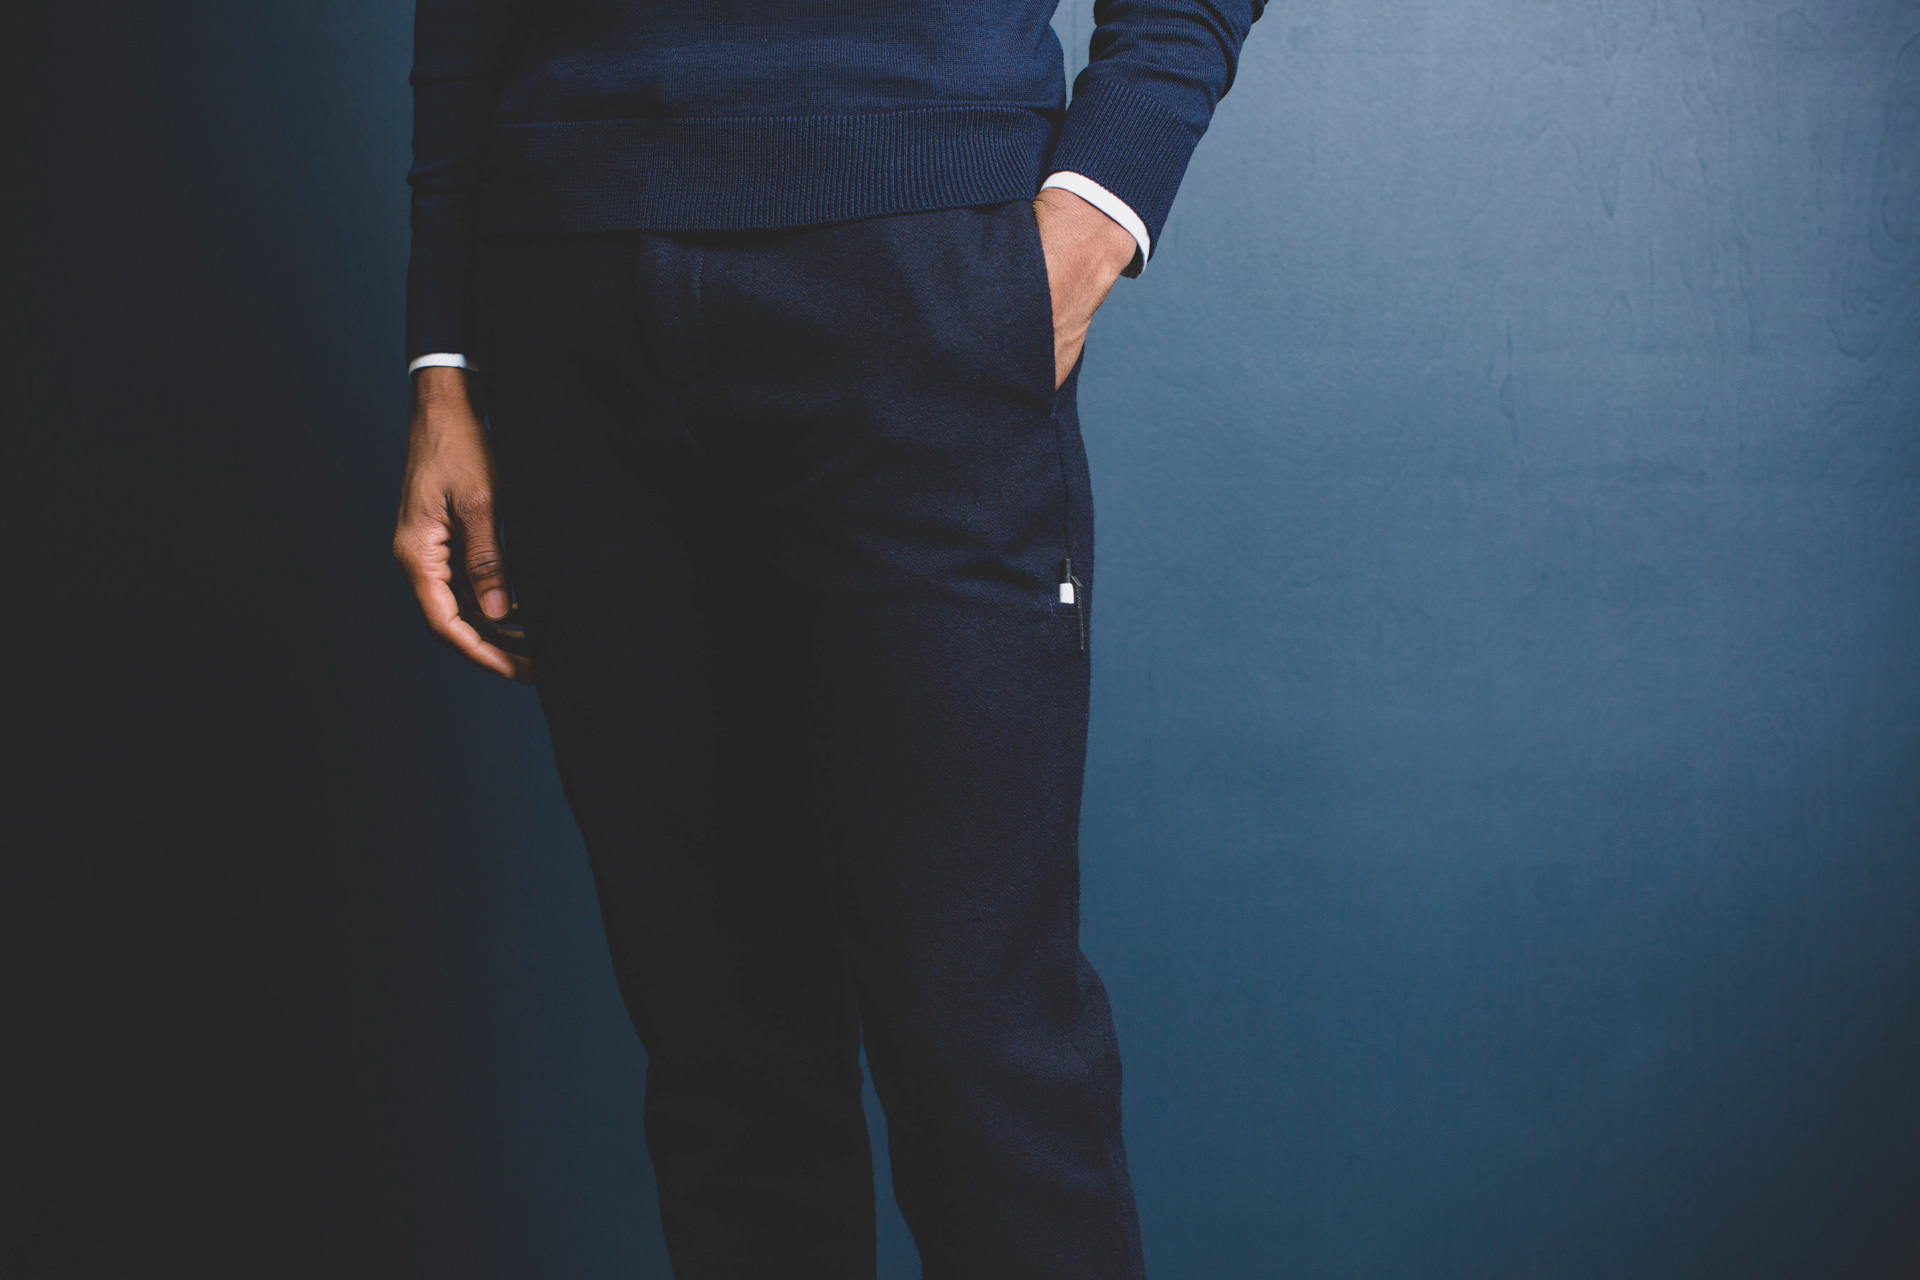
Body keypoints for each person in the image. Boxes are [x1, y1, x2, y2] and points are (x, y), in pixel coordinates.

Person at [390, 0, 1262, 1274]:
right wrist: (442, 351)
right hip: (568, 293)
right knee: (722, 1068)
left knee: (978, 1056)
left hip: (917, 275)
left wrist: (1094, 212)